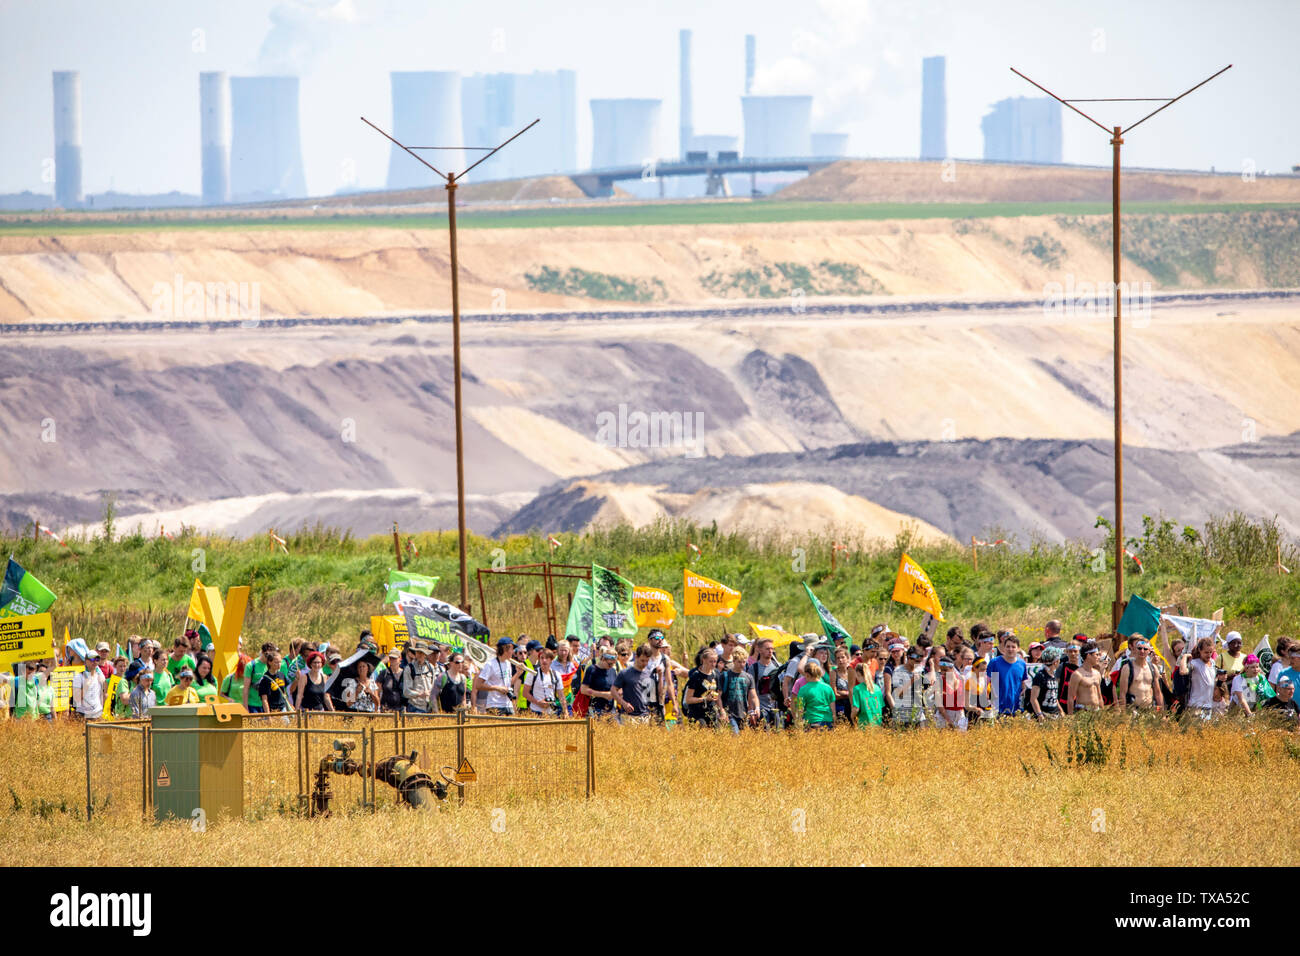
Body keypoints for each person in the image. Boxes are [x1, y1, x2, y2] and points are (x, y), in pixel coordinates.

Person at [987, 633, 1029, 717]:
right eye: (1008, 646)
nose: (1010, 649)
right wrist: (987, 700)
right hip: (997, 708)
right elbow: (986, 682)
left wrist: (1024, 690)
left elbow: (1023, 682)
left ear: (1018, 649)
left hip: (1016, 708)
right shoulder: (995, 662)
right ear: (1004, 648)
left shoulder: (1022, 664)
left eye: (1013, 647)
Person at [747, 638, 787, 729]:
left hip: (776, 708)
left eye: (772, 649)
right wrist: (751, 710)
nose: (770, 651)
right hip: (760, 708)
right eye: (767, 649)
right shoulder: (754, 668)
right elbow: (750, 691)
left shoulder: (778, 666)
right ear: (759, 650)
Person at [718, 648, 759, 733]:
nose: (742, 664)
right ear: (734, 661)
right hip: (729, 713)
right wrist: (722, 711)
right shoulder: (725, 676)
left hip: (743, 713)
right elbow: (718, 696)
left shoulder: (748, 677)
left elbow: (753, 696)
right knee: (735, 735)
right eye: (739, 662)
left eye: (744, 662)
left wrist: (757, 708)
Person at [1116, 639, 1163, 713]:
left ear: (1149, 651)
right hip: (1133, 710)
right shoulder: (1127, 668)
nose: (1142, 651)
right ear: (1134, 650)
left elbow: (1157, 692)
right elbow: (1122, 694)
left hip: (1149, 709)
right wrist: (1123, 714)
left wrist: (1161, 713)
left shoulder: (1153, 668)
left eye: (1145, 649)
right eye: (1139, 648)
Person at [612, 644, 655, 721]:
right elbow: (613, 690)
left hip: (645, 716)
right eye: (642, 660)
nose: (645, 663)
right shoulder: (625, 673)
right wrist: (624, 703)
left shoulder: (649, 674)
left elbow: (651, 697)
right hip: (628, 717)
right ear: (636, 657)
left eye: (647, 661)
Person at [890, 647, 930, 728]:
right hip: (903, 716)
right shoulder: (898, 671)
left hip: (918, 715)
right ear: (908, 658)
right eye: (916, 661)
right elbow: (898, 694)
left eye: (919, 661)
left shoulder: (920, 670)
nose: (918, 664)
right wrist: (911, 681)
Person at [1179, 637, 1218, 720]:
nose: (1209, 655)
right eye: (1206, 652)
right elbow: (1183, 671)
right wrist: (1185, 657)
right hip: (1196, 706)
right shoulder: (1195, 663)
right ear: (1200, 650)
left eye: (1210, 652)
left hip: (1208, 706)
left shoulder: (1213, 663)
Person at [683, 647, 722, 728]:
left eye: (715, 661)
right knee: (701, 730)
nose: (713, 664)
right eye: (710, 661)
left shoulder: (716, 674)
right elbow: (688, 699)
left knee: (718, 733)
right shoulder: (696, 676)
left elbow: (718, 695)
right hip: (697, 712)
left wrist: (721, 710)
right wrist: (704, 699)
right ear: (703, 660)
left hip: (711, 710)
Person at [478, 637, 519, 716]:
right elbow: (478, 685)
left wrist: (518, 673)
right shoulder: (490, 664)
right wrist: (497, 688)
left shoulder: (508, 663)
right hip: (494, 705)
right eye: (511, 649)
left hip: (508, 704)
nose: (513, 652)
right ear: (505, 649)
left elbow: (508, 683)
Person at [792, 660, 836, 730]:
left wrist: (798, 722)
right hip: (828, 720)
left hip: (812, 721)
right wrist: (834, 719)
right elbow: (832, 706)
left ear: (807, 674)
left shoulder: (803, 689)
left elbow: (800, 708)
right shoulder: (828, 687)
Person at [580, 646, 620, 718]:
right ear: (603, 659)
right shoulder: (592, 669)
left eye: (613, 664)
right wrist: (603, 694)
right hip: (595, 709)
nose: (611, 666)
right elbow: (583, 690)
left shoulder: (613, 671)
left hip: (611, 709)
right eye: (610, 664)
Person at [524, 647, 565, 716]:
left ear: (551, 660)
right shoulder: (533, 673)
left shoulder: (556, 675)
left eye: (547, 658)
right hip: (535, 711)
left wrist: (565, 711)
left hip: (552, 712)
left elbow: (561, 695)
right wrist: (538, 702)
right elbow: (525, 693)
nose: (544, 660)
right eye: (542, 658)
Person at [1068, 643, 1105, 713]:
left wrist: (1102, 713)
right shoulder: (1077, 674)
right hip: (1083, 711)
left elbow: (1099, 697)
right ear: (1088, 656)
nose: (1099, 657)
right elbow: (1070, 697)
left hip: (1096, 711)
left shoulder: (1097, 673)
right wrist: (1070, 716)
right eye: (1096, 655)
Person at [401, 642, 436, 713]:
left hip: (429, 707)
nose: (419, 655)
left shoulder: (431, 668)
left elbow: (434, 686)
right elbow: (406, 691)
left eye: (421, 652)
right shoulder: (409, 668)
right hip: (414, 707)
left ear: (425, 654)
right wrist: (420, 694)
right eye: (417, 652)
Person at [1030, 646, 1062, 719]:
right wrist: (1039, 714)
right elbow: (1033, 698)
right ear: (1055, 662)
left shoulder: (1054, 675)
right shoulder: (1040, 676)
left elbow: (1054, 695)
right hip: (1044, 714)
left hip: (1055, 714)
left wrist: (1061, 711)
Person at [72, 650, 106, 720]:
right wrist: (86, 687)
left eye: (97, 659)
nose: (94, 662)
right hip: (83, 714)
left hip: (97, 714)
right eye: (91, 659)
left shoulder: (100, 677)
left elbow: (104, 695)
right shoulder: (79, 677)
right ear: (85, 661)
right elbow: (76, 699)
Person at [934, 658, 967, 730]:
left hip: (960, 714)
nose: (942, 672)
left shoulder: (962, 679)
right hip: (944, 715)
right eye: (941, 670)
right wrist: (948, 720)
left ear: (952, 668)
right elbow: (939, 705)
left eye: (945, 670)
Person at [850, 661, 884, 727]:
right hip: (877, 724)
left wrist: (852, 717)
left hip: (864, 725)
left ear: (858, 673)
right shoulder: (877, 688)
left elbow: (856, 708)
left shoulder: (857, 689)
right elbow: (881, 707)